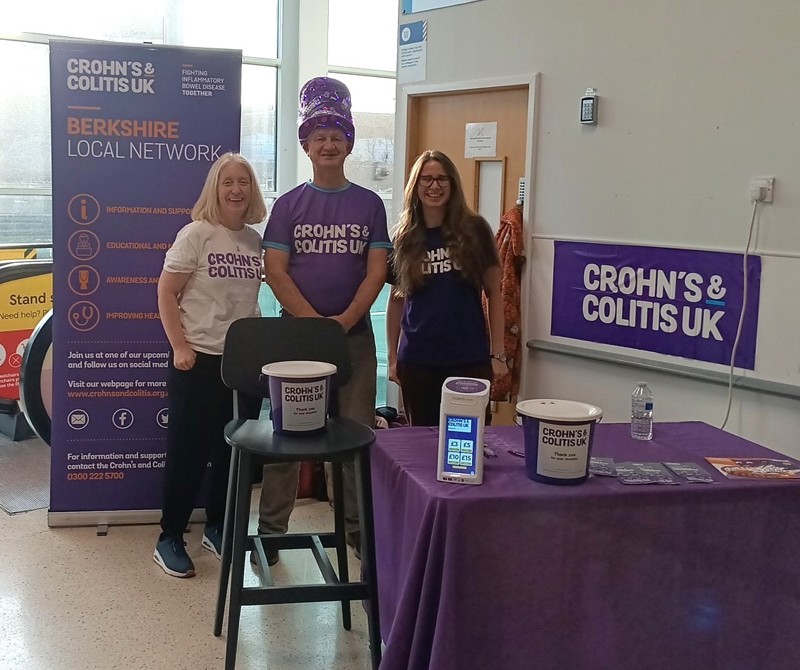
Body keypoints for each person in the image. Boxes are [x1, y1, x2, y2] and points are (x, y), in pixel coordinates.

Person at [258, 76, 391, 564]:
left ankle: (356, 532)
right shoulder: (288, 205)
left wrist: (345, 320)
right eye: (319, 137)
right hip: (297, 339)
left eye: (337, 136)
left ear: (349, 144)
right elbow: (275, 271)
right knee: (287, 435)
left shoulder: (370, 204)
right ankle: (270, 534)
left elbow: (377, 271)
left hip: (354, 339)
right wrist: (316, 323)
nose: (328, 145)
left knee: (355, 435)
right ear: (306, 146)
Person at [153, 152, 267, 578]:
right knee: (188, 450)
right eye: (227, 182)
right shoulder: (196, 234)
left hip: (242, 364)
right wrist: (179, 346)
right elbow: (166, 292)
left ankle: (217, 527)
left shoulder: (254, 241)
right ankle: (170, 536)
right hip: (197, 359)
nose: (236, 190)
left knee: (231, 452)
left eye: (243, 182)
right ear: (215, 189)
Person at [386, 149, 507, 427]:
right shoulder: (404, 237)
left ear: (453, 184)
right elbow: (396, 300)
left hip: (468, 358)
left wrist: (498, 354)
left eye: (442, 179)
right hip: (417, 361)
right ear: (415, 186)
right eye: (426, 179)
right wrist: (393, 358)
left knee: (468, 440)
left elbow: (494, 294)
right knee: (422, 442)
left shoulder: (475, 229)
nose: (434, 186)